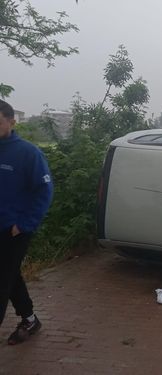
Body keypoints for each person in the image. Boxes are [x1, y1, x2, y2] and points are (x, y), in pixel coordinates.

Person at [0, 99, 53, 345]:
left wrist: (24, 225)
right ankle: (30, 319)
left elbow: (44, 191)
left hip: (13, 231)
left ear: (11, 121)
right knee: (10, 276)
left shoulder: (28, 153)